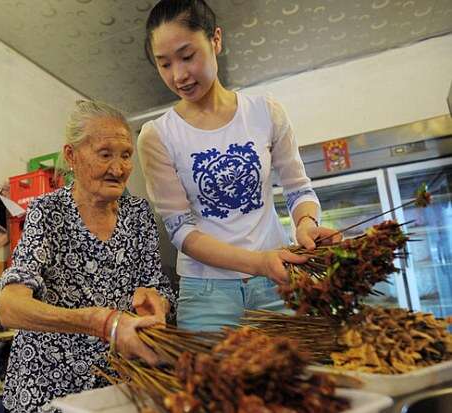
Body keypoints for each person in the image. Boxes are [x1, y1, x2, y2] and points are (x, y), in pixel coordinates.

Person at [138, 0, 340, 332]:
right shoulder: (157, 136)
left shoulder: (265, 112)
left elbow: (298, 189)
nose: (179, 75)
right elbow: (181, 231)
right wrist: (257, 263)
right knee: (214, 383)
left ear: (215, 40)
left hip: (278, 282)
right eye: (164, 64)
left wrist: (305, 224)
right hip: (207, 295)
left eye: (188, 56)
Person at [0, 100, 175, 413]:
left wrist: (157, 303)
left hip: (115, 384)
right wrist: (100, 322)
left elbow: (157, 285)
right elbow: (11, 307)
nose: (119, 169)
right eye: (105, 154)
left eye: (125, 156)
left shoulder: (138, 214)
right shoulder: (47, 212)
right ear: (71, 156)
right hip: (47, 386)